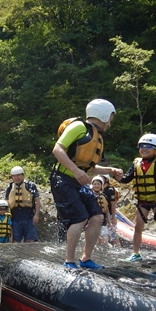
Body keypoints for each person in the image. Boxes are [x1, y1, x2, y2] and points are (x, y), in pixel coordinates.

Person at [50, 98, 123, 269]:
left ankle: (86, 258)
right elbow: (57, 150)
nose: (110, 124)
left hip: (77, 181)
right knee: (80, 217)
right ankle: (69, 261)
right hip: (62, 179)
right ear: (104, 114)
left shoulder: (96, 137)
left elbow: (88, 167)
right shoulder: (78, 127)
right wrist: (76, 171)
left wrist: (110, 170)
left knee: (97, 216)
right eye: (110, 119)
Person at [120, 133, 156, 263]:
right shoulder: (136, 163)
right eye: (142, 146)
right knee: (138, 226)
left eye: (149, 146)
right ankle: (136, 253)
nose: (144, 148)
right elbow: (126, 179)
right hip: (143, 200)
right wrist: (116, 175)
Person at [5, 166, 40, 242]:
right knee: (15, 242)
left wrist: (36, 215)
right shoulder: (10, 187)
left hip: (29, 218)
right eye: (14, 176)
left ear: (23, 175)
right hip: (15, 218)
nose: (16, 178)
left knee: (30, 241)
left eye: (18, 175)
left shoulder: (30, 185)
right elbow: (6, 202)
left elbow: (37, 200)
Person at [89, 176, 111, 245]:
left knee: (105, 242)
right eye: (94, 184)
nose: (96, 185)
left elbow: (107, 210)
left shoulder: (104, 196)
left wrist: (109, 223)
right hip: (93, 223)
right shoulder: (89, 195)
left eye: (98, 184)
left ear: (101, 185)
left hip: (103, 223)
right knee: (94, 243)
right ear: (92, 185)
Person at [101, 174, 121, 246]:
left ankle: (118, 247)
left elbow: (113, 205)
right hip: (102, 214)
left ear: (106, 179)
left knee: (113, 236)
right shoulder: (100, 189)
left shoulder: (110, 190)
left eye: (102, 177)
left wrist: (113, 217)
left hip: (109, 214)